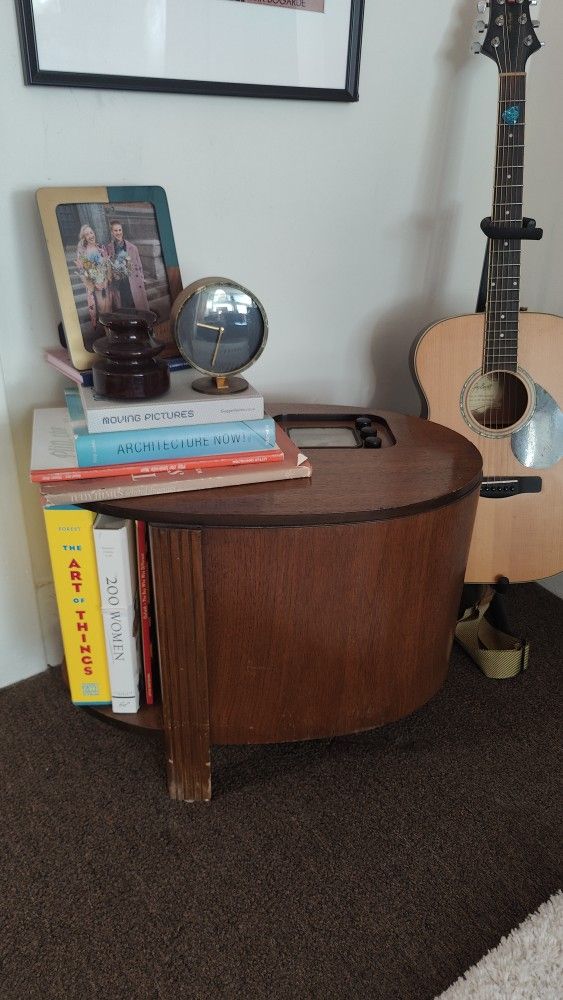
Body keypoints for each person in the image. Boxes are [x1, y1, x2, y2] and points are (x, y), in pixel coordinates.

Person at [75, 224, 112, 346]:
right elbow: (82, 271)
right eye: (87, 234)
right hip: (96, 286)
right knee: (103, 310)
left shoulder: (101, 247)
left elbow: (107, 264)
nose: (90, 235)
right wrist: (94, 283)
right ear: (84, 238)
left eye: (91, 232)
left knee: (109, 308)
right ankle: (109, 336)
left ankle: (111, 333)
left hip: (105, 283)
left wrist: (106, 279)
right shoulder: (83, 253)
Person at [105, 219, 150, 312]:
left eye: (119, 230)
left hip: (132, 282)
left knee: (137, 308)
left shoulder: (132, 248)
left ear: (122, 231)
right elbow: (108, 265)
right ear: (112, 232)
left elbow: (139, 266)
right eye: (115, 230)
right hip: (119, 284)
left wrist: (141, 279)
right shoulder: (108, 248)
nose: (118, 233)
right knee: (124, 309)